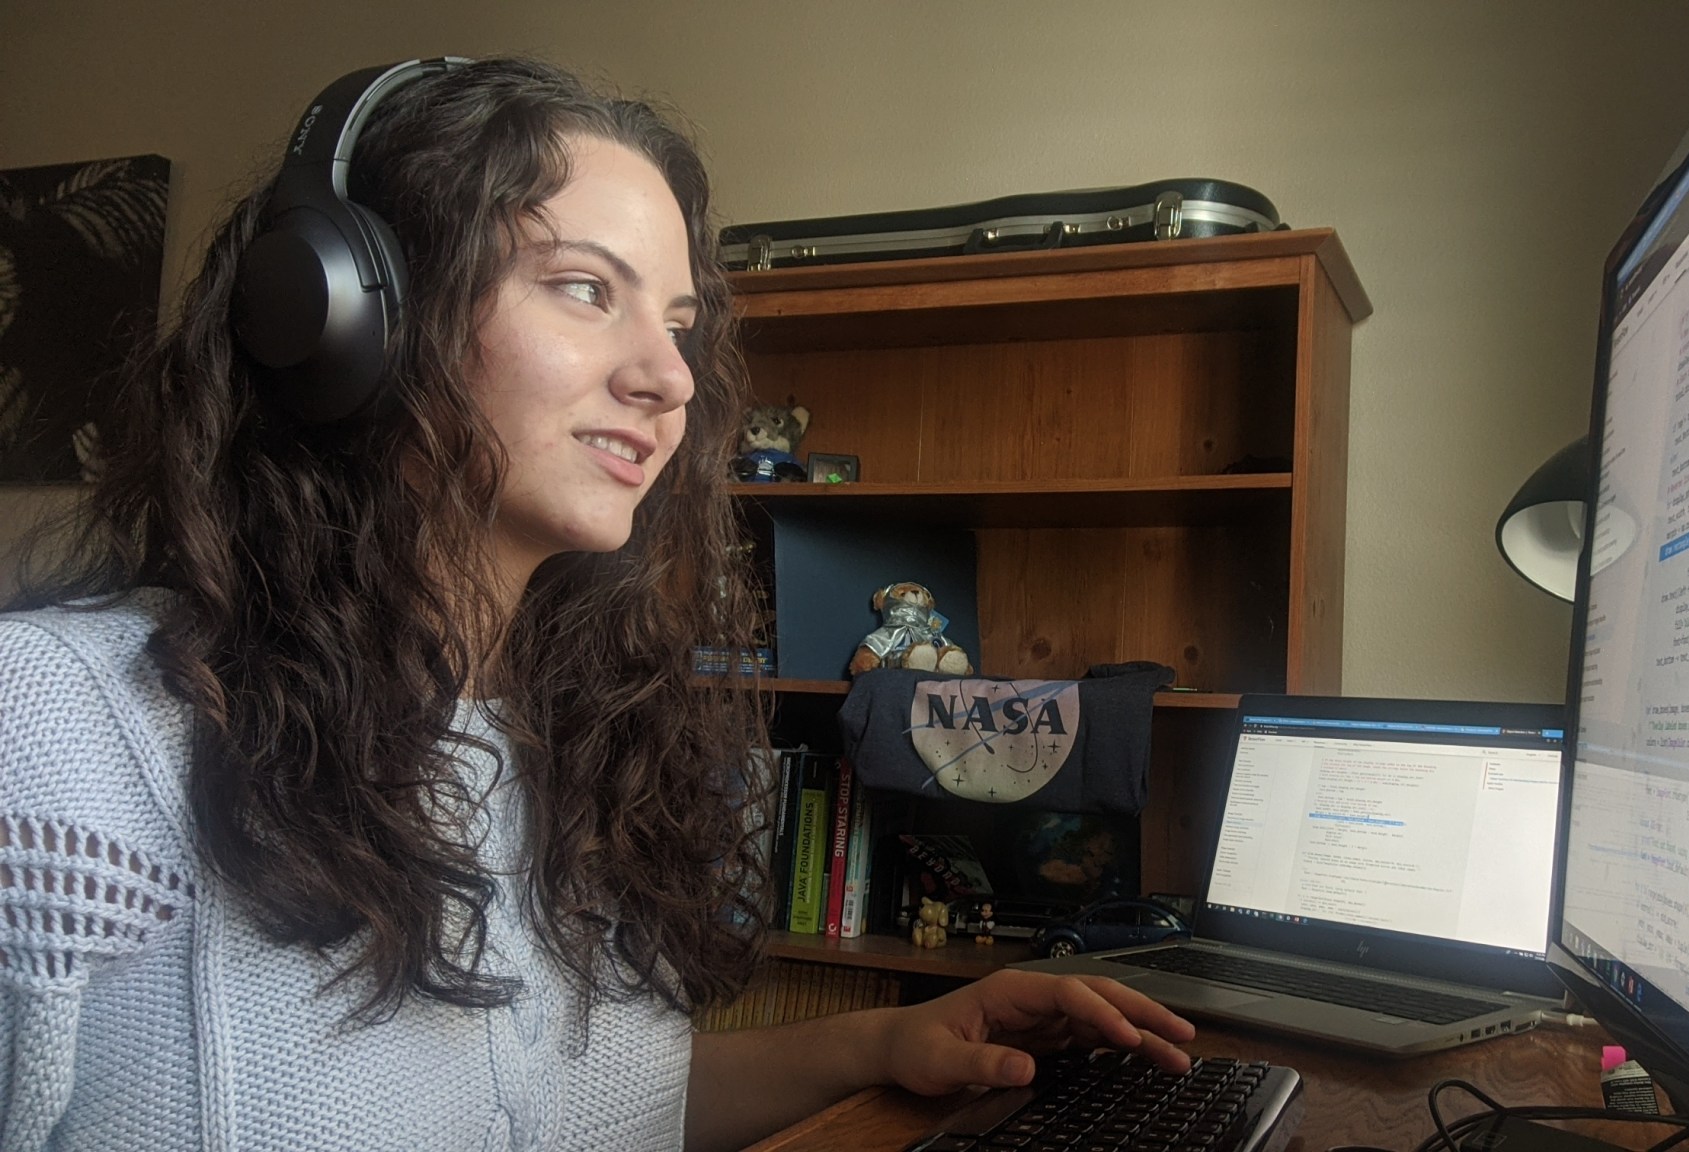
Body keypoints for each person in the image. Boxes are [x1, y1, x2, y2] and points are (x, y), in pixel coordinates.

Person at [0, 57, 1193, 1152]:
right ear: (345, 315)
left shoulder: (587, 739)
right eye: (582, 289)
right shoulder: (52, 731)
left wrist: (884, 1042)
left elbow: (598, 1113)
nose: (668, 380)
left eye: (678, 326)